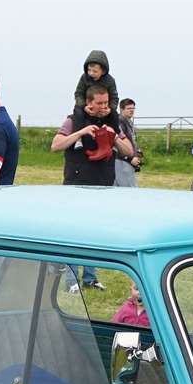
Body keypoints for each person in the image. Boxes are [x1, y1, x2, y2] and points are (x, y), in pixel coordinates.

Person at [50, 85, 133, 290]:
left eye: (106, 103)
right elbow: (56, 145)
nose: (104, 107)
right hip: (76, 185)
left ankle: (90, 278)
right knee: (73, 233)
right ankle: (72, 281)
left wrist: (114, 137)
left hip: (102, 185)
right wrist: (80, 132)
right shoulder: (73, 120)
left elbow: (128, 150)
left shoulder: (113, 122)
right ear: (89, 103)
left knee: (93, 232)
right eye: (100, 103)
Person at [113, 98, 143, 187]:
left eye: (133, 108)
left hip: (127, 161)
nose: (132, 110)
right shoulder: (119, 122)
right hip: (121, 161)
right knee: (129, 189)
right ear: (122, 109)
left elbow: (132, 140)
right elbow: (116, 144)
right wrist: (129, 158)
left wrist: (137, 153)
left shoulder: (128, 122)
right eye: (129, 108)